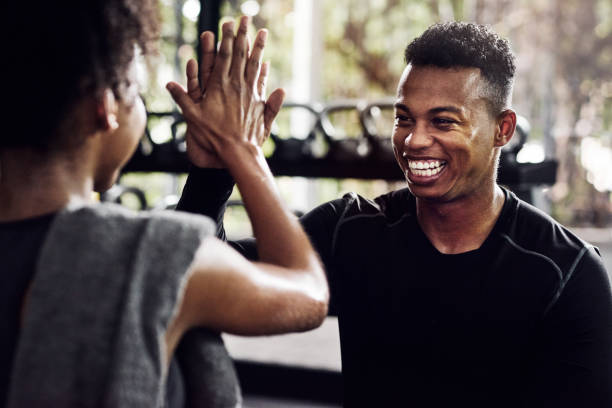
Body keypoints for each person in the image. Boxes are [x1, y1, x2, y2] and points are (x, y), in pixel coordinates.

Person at [175, 21, 612, 407]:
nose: (414, 141)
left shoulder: (567, 274)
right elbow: (191, 280)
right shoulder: (349, 231)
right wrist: (212, 174)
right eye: (404, 119)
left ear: (503, 129)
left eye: (443, 122)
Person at [1, 2, 328, 407]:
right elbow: (307, 292)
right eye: (136, 93)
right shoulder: (141, 256)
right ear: (104, 107)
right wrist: (242, 149)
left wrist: (212, 177)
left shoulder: (156, 260)